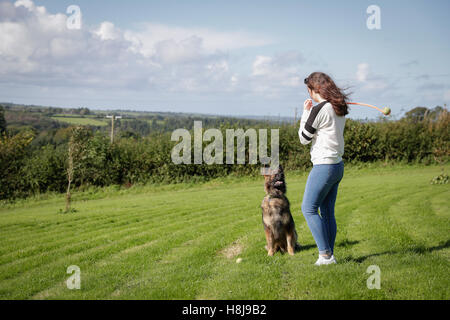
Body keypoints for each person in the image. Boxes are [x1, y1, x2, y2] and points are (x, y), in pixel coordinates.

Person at [298, 72, 348, 266]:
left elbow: (303, 138)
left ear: (314, 89)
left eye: (308, 90)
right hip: (337, 166)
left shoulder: (319, 109)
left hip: (324, 166)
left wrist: (305, 113)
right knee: (327, 212)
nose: (308, 94)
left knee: (308, 209)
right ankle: (329, 256)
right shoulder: (338, 107)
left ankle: (325, 255)